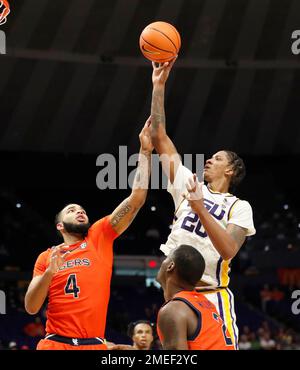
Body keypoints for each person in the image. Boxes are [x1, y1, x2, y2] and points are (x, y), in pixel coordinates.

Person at [150, 60, 256, 349]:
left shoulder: (239, 207)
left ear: (231, 170)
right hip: (175, 288)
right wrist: (158, 86)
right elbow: (159, 137)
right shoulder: (188, 183)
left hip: (211, 294)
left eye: (218, 158)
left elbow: (229, 250)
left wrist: (200, 208)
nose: (209, 160)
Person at [24, 121, 154, 350]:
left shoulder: (99, 235)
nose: (80, 211)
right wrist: (49, 275)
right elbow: (31, 307)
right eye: (72, 211)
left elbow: (136, 200)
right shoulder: (47, 257)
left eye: (82, 209)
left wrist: (145, 152)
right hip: (55, 343)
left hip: (93, 344)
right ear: (60, 226)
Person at [156, 244, 234, 350]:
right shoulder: (204, 303)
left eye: (166, 258)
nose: (162, 262)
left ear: (170, 266)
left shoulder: (173, 310)